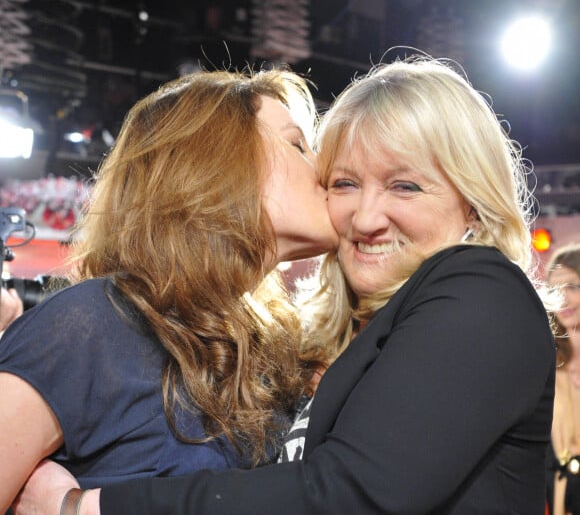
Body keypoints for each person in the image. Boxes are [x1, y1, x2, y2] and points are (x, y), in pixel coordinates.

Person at [14, 56, 557, 514]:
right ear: (215, 169)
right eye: (340, 178)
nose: (361, 213)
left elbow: (344, 491)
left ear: (470, 197)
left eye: (406, 186)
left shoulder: (477, 291)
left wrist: (84, 508)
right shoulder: (93, 323)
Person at [0, 67, 339, 512]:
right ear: (218, 164)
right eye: (298, 145)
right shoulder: (92, 325)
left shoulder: (270, 352)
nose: (323, 171)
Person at [546, 244, 580, 515]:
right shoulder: (545, 362)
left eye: (573, 287)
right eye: (555, 290)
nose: (563, 299)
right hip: (559, 498)